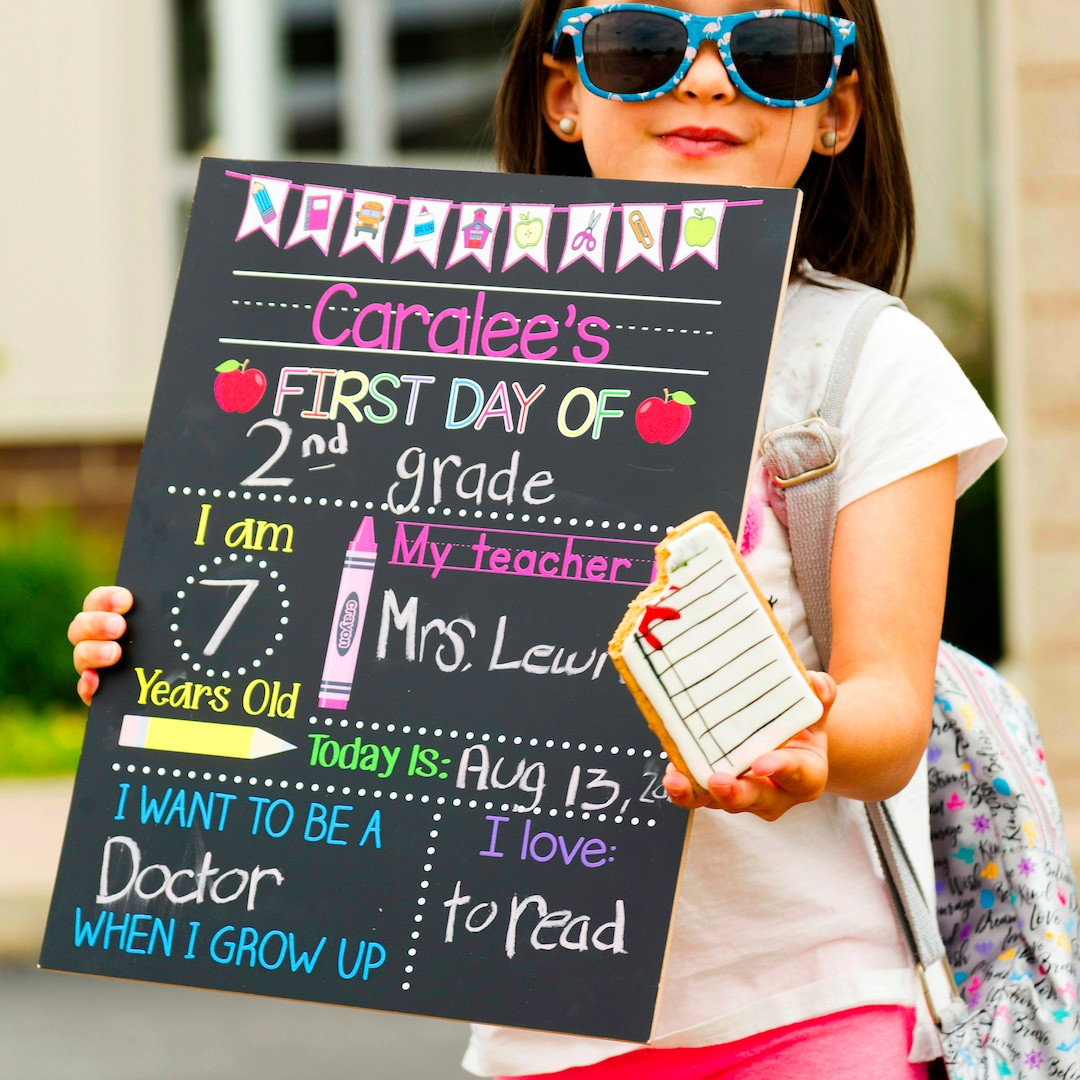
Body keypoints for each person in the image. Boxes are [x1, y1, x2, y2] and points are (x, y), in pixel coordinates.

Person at [69, 2, 1006, 1077]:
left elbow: (891, 708)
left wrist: (810, 741)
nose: (704, 83)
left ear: (836, 111)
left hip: (805, 1005)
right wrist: (165, 667)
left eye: (770, 52)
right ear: (564, 93)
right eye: (642, 45)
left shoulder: (867, 362)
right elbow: (332, 617)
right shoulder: (436, 354)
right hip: (536, 1019)